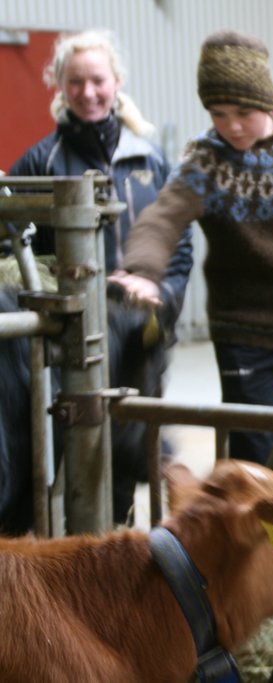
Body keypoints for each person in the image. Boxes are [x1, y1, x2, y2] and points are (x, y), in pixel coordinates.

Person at [106, 30, 273, 522]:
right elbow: (163, 217)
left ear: (267, 102)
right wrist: (143, 271)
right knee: (256, 457)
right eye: (218, 114)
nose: (232, 126)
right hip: (243, 334)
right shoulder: (205, 159)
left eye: (243, 112)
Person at [8, 29, 193, 521]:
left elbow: (179, 245)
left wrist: (160, 294)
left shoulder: (150, 160)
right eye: (75, 82)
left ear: (117, 82)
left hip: (142, 337)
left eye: (97, 81)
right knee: (76, 449)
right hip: (72, 342)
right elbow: (11, 247)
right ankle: (79, 544)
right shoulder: (40, 162)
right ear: (60, 86)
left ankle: (116, 537)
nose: (87, 92)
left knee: (131, 446)